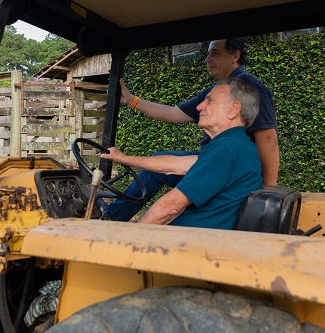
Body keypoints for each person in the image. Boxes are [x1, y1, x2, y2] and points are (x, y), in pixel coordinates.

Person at [100, 38, 278, 222]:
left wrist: (266, 197)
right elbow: (174, 113)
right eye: (208, 53)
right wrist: (132, 101)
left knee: (166, 187)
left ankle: (111, 218)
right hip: (214, 161)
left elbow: (268, 139)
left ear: (235, 56)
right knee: (159, 164)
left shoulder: (248, 88)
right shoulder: (217, 90)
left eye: (215, 53)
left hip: (226, 168)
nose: (207, 59)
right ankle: (112, 216)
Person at [101, 78, 262, 228]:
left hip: (185, 245)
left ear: (233, 110)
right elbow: (174, 165)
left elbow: (171, 207)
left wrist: (130, 241)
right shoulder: (240, 147)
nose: (199, 106)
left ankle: (109, 218)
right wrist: (122, 158)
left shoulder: (226, 149)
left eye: (210, 100)